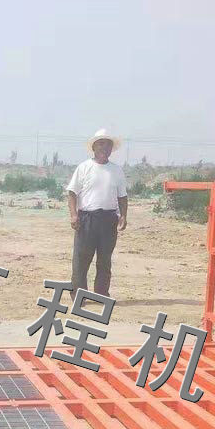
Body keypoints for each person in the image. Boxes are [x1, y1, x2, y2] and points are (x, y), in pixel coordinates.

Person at [66, 128, 128, 300]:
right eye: (101, 144)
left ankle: (101, 294)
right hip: (87, 219)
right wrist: (73, 215)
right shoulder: (84, 168)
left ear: (111, 149)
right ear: (94, 147)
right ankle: (79, 295)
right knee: (81, 259)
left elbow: (122, 196)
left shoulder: (117, 171)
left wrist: (123, 216)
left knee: (105, 260)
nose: (104, 148)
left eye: (108, 145)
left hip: (109, 220)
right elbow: (72, 193)